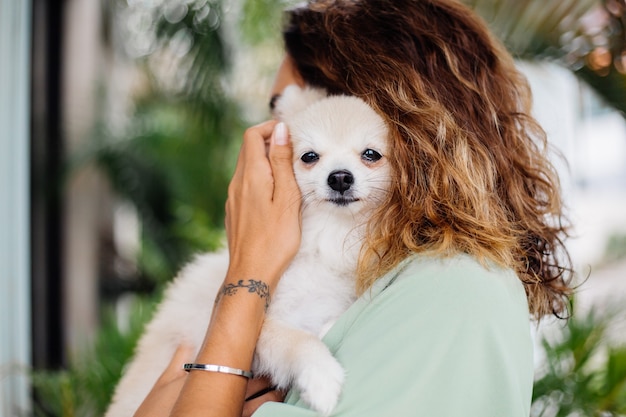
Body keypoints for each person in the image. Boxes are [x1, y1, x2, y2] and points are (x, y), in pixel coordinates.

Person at [133, 0, 573, 416]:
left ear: (405, 123)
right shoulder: (397, 280)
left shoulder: (449, 292)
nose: (271, 139)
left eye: (297, 108)